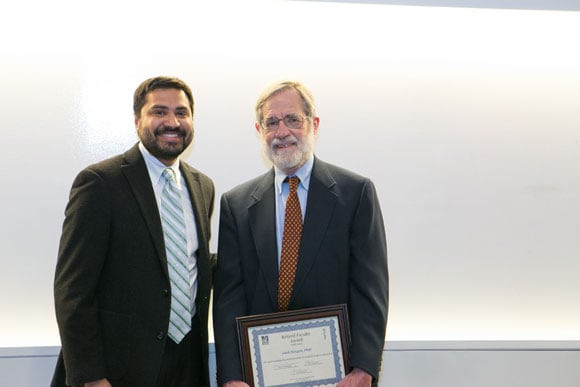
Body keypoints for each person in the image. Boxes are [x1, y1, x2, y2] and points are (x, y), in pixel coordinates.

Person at [213, 80, 389, 387]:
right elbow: (229, 297)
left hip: (339, 378)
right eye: (271, 122)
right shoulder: (236, 205)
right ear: (259, 131)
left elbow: (369, 289)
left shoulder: (355, 194)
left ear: (314, 125)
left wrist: (363, 370)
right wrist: (231, 377)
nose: (282, 132)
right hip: (259, 378)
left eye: (293, 119)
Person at [52, 76, 215, 387]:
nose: (172, 122)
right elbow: (72, 291)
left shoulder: (202, 187)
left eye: (181, 113)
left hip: (187, 366)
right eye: (159, 112)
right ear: (137, 119)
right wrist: (91, 377)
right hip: (118, 371)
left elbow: (189, 264)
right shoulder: (100, 183)